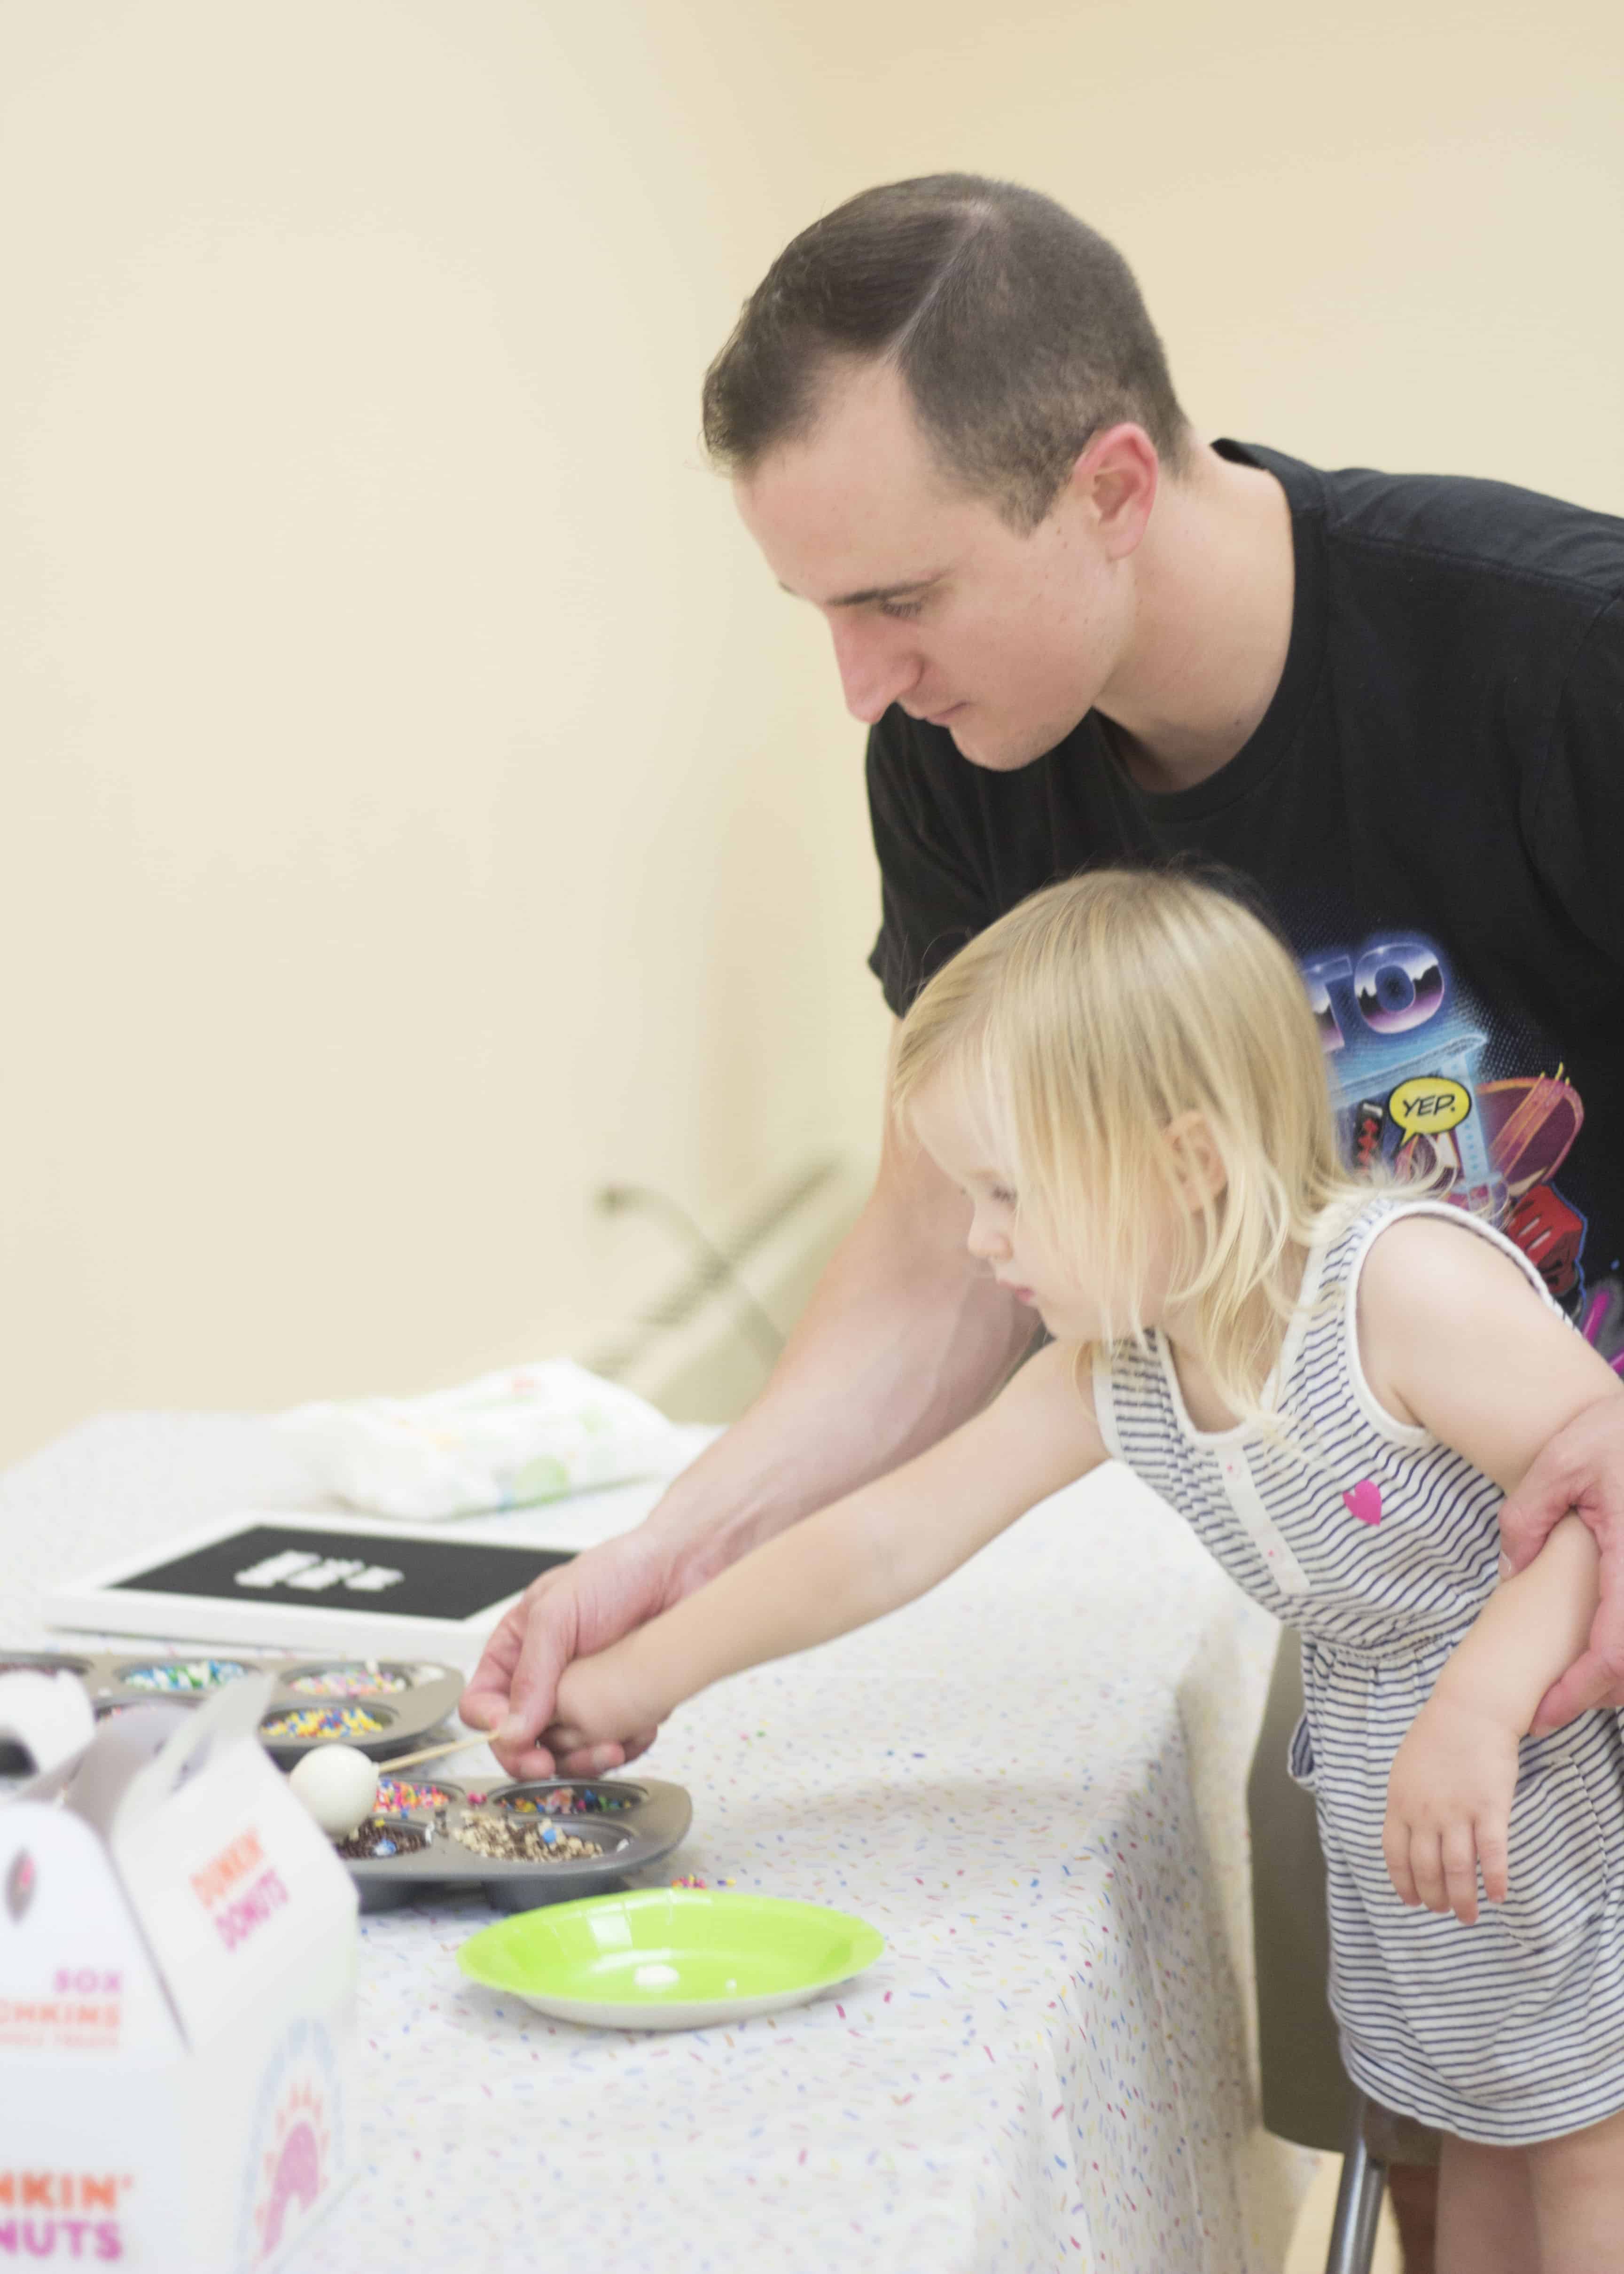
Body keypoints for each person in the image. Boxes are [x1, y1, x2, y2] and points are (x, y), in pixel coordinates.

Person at [463, 174, 1624, 2257]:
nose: (857, 683)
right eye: (821, 614)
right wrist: (663, 1573)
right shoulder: (964, 740)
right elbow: (932, 1263)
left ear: (1106, 487)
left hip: (1577, 1567)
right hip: (1419, 1615)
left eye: (895, 600)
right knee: (1451, 2139)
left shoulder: (1562, 655)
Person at [535, 869, 1624, 2273]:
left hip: (1542, 1756)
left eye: (1009, 1191)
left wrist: (1477, 1708)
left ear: (1183, 1164)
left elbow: (1598, 1505)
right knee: (1479, 2122)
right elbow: (891, 1536)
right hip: (1399, 1778)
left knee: (1592, 2139)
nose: (980, 1239)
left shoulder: (1401, 1289)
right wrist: (639, 1673)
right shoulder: (1128, 1365)